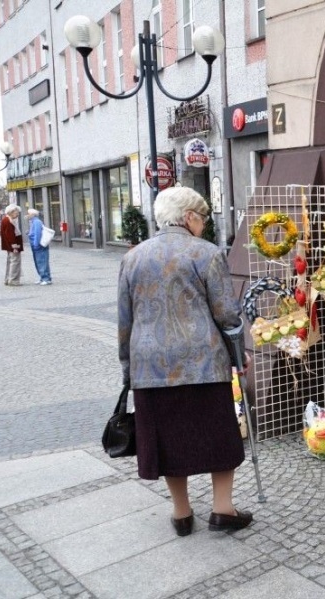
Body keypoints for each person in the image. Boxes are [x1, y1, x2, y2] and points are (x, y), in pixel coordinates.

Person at [118, 186, 252, 536]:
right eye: (203, 217)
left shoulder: (132, 258)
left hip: (150, 367)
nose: (205, 225)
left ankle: (181, 513)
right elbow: (227, 314)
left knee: (166, 440)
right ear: (189, 217)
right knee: (218, 436)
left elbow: (124, 320)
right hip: (203, 362)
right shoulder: (206, 253)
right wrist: (240, 355)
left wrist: (127, 370)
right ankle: (223, 508)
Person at [26, 209, 52, 285]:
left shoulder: (36, 222)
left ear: (33, 214)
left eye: (28, 214)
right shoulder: (33, 222)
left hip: (39, 245)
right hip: (36, 245)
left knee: (42, 261)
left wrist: (36, 244)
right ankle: (42, 277)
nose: (27, 215)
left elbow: (38, 234)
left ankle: (46, 278)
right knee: (38, 262)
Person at [1, 204, 24, 286]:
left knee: (10, 262)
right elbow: (10, 235)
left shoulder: (7, 220)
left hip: (10, 246)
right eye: (16, 212)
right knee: (15, 262)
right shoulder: (8, 221)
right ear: (11, 212)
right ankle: (13, 280)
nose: (17, 214)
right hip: (13, 246)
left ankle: (8, 279)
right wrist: (14, 247)